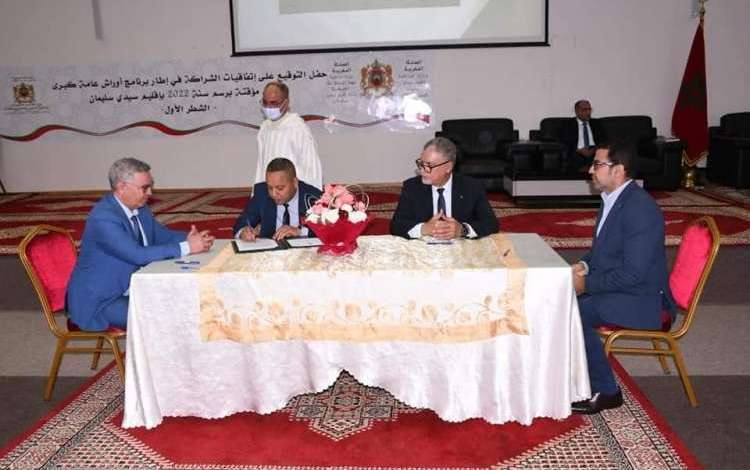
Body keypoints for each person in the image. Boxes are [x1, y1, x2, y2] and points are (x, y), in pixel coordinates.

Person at [571, 141, 675, 414]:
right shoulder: (614, 199)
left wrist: (586, 284)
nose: (590, 171)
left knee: (574, 313)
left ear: (618, 171)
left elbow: (634, 274)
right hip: (625, 288)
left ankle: (607, 390)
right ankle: (580, 374)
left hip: (644, 299)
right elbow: (603, 251)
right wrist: (583, 265)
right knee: (565, 303)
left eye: (597, 165)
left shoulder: (640, 209)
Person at [66, 158, 214, 331]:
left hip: (132, 287)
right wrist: (188, 246)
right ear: (122, 187)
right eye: (144, 188)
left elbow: (162, 235)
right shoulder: (103, 217)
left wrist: (190, 239)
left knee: (182, 304)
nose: (150, 192)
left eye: (151, 186)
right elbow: (137, 255)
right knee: (162, 319)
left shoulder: (140, 208)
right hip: (101, 300)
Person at [390, 136, 499, 240]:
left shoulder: (471, 187)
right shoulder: (412, 187)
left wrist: (463, 230)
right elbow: (396, 225)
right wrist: (424, 228)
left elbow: (491, 224)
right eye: (421, 164)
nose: (422, 170)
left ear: (448, 167)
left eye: (429, 166)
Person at [234, 157, 322, 241]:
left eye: (280, 188)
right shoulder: (262, 193)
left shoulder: (313, 197)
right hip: (271, 249)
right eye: (270, 188)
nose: (273, 194)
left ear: (295, 182)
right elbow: (242, 223)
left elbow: (327, 228)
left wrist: (300, 231)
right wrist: (243, 232)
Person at [255, 81, 322, 189]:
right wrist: (257, 194)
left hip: (293, 193)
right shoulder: (265, 128)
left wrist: (310, 196)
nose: (268, 107)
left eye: (274, 103)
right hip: (269, 192)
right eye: (265, 102)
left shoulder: (297, 127)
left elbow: (311, 167)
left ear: (286, 103)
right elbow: (260, 167)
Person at [560, 99, 606, 171]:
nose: (588, 112)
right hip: (576, 151)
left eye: (589, 109)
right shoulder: (568, 124)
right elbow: (564, 140)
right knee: (573, 157)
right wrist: (578, 150)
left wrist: (594, 149)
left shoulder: (596, 123)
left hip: (594, 151)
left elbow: (604, 139)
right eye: (584, 109)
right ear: (577, 111)